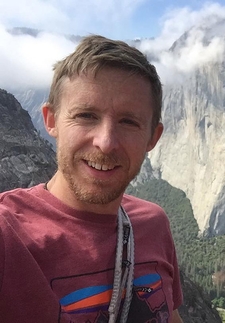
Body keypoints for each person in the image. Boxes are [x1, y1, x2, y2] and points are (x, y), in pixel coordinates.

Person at [0, 35, 183, 323]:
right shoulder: (8, 235)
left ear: (153, 137)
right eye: (86, 115)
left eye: (128, 121)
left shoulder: (154, 224)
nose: (106, 142)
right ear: (51, 120)